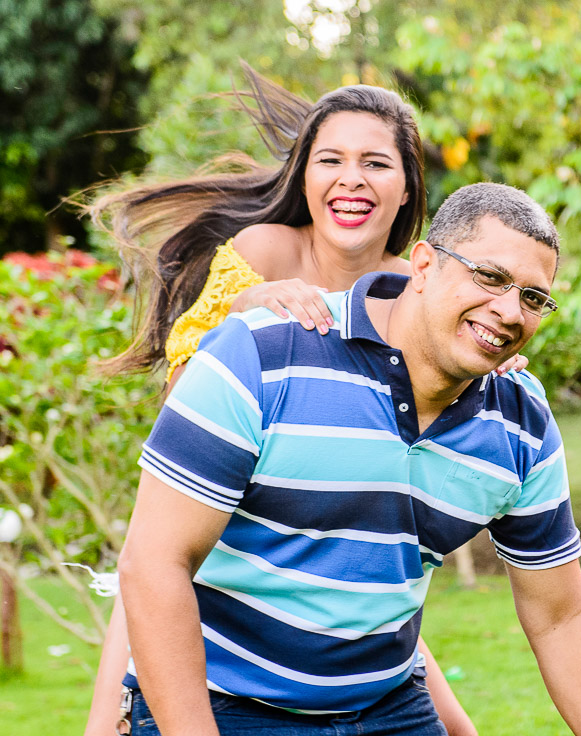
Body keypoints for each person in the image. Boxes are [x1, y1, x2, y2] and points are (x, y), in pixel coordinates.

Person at [117, 182, 581, 735]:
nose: (509, 311)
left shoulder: (519, 422)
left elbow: (562, 617)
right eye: (490, 277)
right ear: (426, 265)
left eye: (533, 297)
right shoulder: (264, 355)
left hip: (387, 707)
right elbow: (153, 563)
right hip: (229, 704)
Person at [84, 68, 501, 736]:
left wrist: (488, 362)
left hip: (339, 522)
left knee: (409, 678)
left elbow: (453, 366)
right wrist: (245, 309)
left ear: (406, 188)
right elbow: (182, 397)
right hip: (224, 508)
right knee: (140, 637)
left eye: (376, 163)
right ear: (305, 177)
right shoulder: (266, 249)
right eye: (330, 160)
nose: (351, 179)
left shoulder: (411, 285)